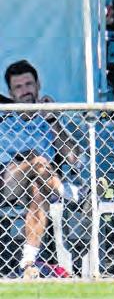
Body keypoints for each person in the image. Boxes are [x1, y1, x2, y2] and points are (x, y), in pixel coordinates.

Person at [0, 60, 81, 278]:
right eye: (18, 87)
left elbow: (73, 158)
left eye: (29, 84)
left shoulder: (49, 118)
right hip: (9, 182)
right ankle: (73, 194)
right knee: (36, 161)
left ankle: (28, 262)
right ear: (11, 93)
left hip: (43, 184)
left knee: (38, 188)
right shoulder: (3, 118)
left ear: (38, 85)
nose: (25, 91)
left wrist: (52, 119)